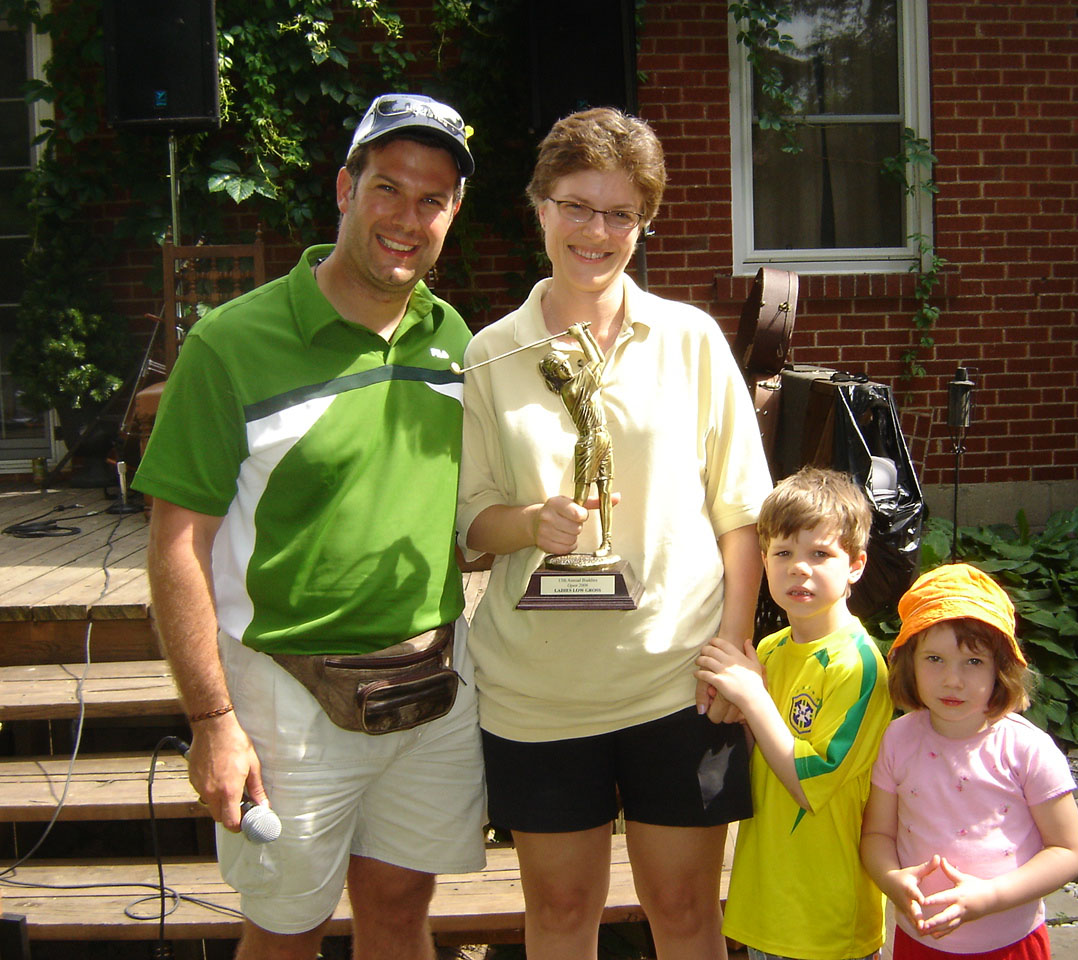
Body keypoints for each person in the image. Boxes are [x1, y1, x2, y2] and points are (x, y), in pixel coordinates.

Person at [133, 93, 486, 960]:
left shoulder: (454, 339)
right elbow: (177, 545)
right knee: (285, 933)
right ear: (343, 189)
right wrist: (212, 720)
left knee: (400, 911)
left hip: (429, 680)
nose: (407, 219)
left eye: (432, 199)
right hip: (284, 695)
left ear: (453, 213)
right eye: (387, 188)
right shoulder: (230, 343)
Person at [456, 107, 773, 960]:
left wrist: (734, 648)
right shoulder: (491, 354)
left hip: (679, 682)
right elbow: (470, 521)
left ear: (644, 223)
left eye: (620, 213)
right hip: (538, 692)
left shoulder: (690, 340)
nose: (595, 232)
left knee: (686, 912)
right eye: (576, 206)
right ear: (540, 206)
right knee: (560, 917)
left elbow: (742, 509)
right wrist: (530, 523)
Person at [695, 466, 892, 960]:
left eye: (819, 554)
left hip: (826, 921)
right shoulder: (770, 650)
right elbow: (755, 757)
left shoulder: (858, 665)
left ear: (856, 565)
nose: (799, 568)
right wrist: (734, 708)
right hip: (767, 908)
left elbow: (809, 784)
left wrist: (753, 698)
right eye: (783, 553)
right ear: (763, 561)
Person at [859, 564, 1078, 960]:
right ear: (909, 662)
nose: (953, 679)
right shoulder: (897, 741)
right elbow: (877, 834)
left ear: (1002, 669)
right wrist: (892, 879)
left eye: (974, 662)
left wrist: (989, 896)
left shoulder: (1026, 749)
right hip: (920, 942)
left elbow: (1067, 851)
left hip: (1010, 944)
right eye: (935, 658)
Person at [537, 322, 614, 558]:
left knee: (605, 489)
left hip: (603, 436)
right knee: (581, 495)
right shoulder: (570, 388)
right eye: (560, 367)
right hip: (589, 441)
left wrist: (586, 333)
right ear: (554, 375)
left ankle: (607, 542)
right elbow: (596, 361)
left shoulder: (578, 382)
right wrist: (580, 335)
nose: (566, 368)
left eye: (565, 363)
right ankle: (565, 544)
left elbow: (599, 359)